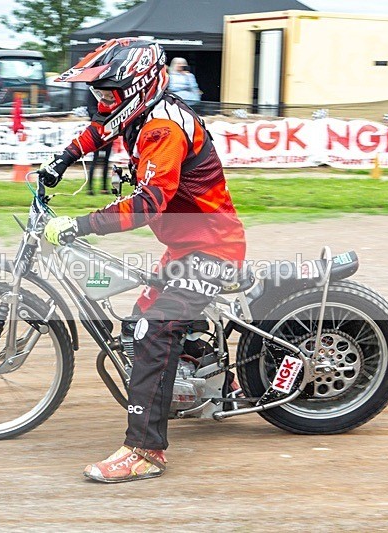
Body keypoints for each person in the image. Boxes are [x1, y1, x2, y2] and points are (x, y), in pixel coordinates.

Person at [38, 38, 246, 483]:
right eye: (98, 92)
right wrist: (64, 157)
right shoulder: (140, 112)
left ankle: (145, 450)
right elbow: (103, 128)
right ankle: (220, 385)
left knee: (153, 327)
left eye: (108, 92)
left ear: (138, 85)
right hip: (189, 245)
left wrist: (81, 223)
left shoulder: (164, 129)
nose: (101, 101)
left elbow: (150, 204)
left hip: (212, 248)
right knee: (140, 319)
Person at [85, 90, 112, 194]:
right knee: (95, 159)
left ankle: (104, 187)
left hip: (108, 129)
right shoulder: (92, 92)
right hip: (97, 129)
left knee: (106, 160)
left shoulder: (109, 91)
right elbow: (90, 109)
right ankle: (90, 188)